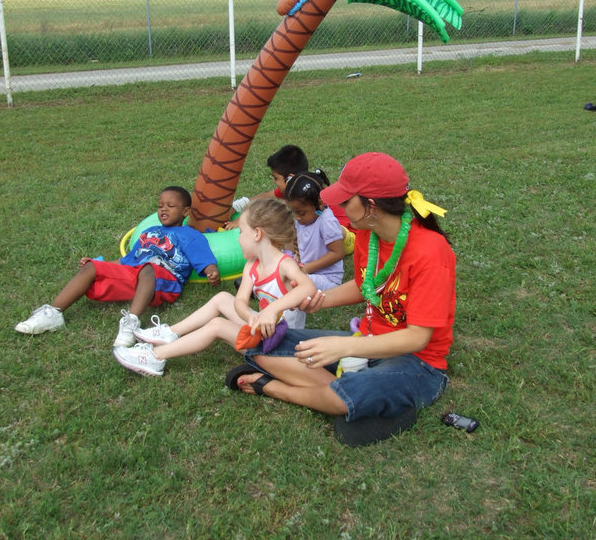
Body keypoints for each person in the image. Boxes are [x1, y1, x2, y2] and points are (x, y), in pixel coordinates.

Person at [226, 153, 456, 446]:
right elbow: (366, 286)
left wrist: (345, 345)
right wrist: (320, 300)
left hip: (417, 362)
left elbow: (418, 338)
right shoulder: (368, 234)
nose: (339, 207)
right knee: (260, 343)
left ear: (371, 206)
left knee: (345, 393)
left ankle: (273, 387)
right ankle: (360, 396)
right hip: (367, 339)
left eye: (347, 201)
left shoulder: (431, 254)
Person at [112, 198, 317, 377]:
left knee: (217, 325)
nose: (238, 238)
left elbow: (307, 288)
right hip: (261, 331)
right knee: (222, 298)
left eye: (241, 232)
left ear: (257, 234)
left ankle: (155, 357)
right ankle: (169, 333)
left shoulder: (284, 264)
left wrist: (270, 310)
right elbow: (239, 301)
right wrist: (250, 316)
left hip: (283, 345)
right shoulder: (252, 265)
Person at [14, 186, 221, 347]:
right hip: (138, 274)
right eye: (160, 206)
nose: (163, 209)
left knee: (147, 268)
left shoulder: (189, 234)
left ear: (185, 211)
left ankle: (131, 323)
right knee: (92, 267)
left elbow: (202, 256)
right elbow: (129, 260)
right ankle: (53, 313)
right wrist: (99, 264)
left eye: (170, 206)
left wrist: (210, 270)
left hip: (164, 280)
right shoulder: (148, 233)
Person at [282, 171, 345, 329]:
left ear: (320, 204)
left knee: (295, 284)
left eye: (301, 213)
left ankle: (291, 330)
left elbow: (337, 253)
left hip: (327, 280)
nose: (297, 217)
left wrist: (307, 269)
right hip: (306, 271)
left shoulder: (327, 221)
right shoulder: (304, 219)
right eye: (294, 212)